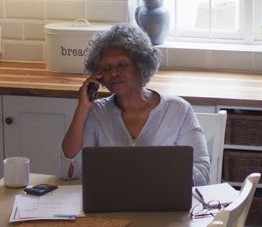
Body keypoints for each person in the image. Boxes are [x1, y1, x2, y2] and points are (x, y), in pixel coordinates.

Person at [57, 24, 211, 185]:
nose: (114, 73)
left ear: (141, 65)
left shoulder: (178, 110)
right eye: (106, 68)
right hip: (110, 206)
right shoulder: (96, 113)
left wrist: (158, 167)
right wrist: (82, 110)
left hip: (163, 205)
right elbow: (68, 172)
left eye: (122, 64)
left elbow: (202, 174)